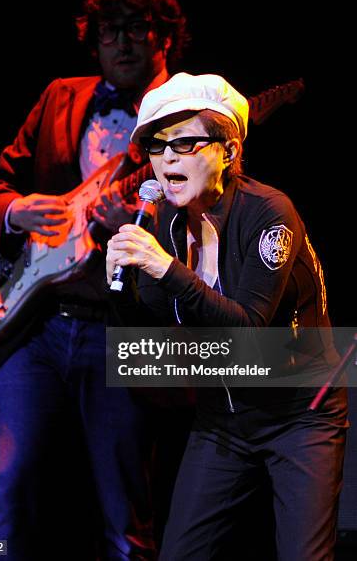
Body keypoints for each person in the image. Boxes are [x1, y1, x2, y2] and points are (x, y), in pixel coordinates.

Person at [0, 0, 188, 560]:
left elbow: (212, 222)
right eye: (108, 29)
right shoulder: (59, 96)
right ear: (91, 37)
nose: (120, 41)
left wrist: (145, 228)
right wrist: (16, 211)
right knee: (6, 495)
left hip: (120, 329)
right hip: (32, 327)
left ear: (163, 35)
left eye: (136, 27)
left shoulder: (189, 116)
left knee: (124, 518)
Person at [106, 72, 348, 561]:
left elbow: (248, 333)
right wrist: (123, 287)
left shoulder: (270, 213)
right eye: (156, 147)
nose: (166, 158)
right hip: (225, 416)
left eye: (185, 143)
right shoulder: (169, 222)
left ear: (229, 152)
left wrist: (164, 268)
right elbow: (154, 322)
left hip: (300, 413)